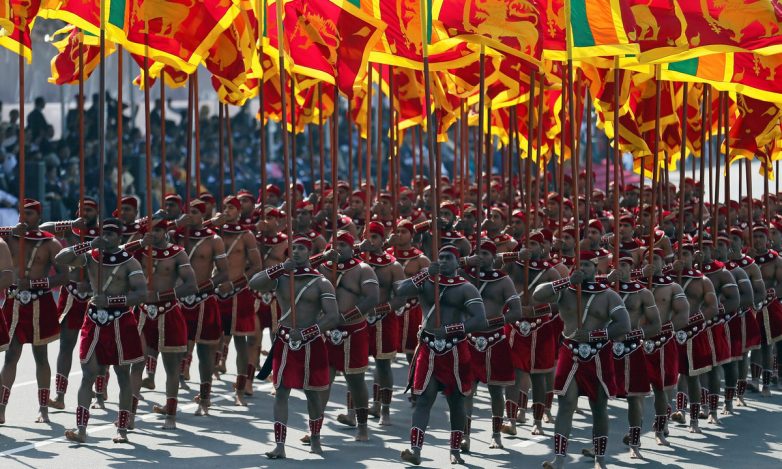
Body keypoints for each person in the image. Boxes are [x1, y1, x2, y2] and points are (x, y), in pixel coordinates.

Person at [533, 252, 630, 469]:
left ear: (596, 268)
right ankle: (559, 459)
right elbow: (538, 295)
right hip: (570, 351)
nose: (583, 268)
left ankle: (600, 459)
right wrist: (566, 281)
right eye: (579, 264)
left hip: (599, 354)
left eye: (587, 265)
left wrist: (595, 335)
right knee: (566, 404)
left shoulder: (608, 295)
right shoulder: (565, 291)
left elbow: (623, 325)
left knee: (599, 406)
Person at [54, 218, 146, 443]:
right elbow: (60, 258)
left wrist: (112, 300)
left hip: (120, 321)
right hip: (94, 320)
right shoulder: (91, 256)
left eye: (111, 233)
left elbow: (141, 294)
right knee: (88, 374)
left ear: (120, 237)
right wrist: (87, 244)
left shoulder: (130, 262)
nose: (106, 237)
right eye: (103, 233)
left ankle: (122, 429)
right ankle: (81, 429)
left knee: (122, 375)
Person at [395, 245, 487, 465]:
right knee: (423, 399)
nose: (443, 260)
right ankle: (416, 450)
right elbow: (400, 290)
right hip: (428, 349)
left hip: (455, 350)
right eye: (441, 257)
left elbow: (480, 320)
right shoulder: (426, 281)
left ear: (458, 262)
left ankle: (455, 450)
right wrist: (425, 273)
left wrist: (450, 329)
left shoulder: (466, 288)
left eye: (448, 258)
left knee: (456, 402)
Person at [249, 236, 339, 458]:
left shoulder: (321, 282)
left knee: (313, 394)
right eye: (293, 248)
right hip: (285, 341)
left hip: (312, 343)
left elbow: (332, 316)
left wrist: (308, 332)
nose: (296, 252)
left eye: (301, 248)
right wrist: (280, 268)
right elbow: (254, 283)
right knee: (281, 391)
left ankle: (315, 439)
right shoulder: (281, 278)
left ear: (309, 252)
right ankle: (279, 445)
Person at [0, 199, 67, 424]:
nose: (23, 217)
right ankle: (1, 408)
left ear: (39, 216)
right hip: (14, 302)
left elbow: (64, 275)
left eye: (28, 214)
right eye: (21, 213)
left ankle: (43, 408)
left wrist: (35, 283)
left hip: (40, 303)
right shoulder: (9, 237)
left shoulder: (50, 243)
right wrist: (10, 230)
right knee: (11, 356)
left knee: (41, 357)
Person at [127, 216, 196, 429]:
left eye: (157, 230)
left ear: (165, 232)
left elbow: (191, 285)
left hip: (168, 312)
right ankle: (129, 414)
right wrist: (140, 242)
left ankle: (171, 415)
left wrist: (161, 295)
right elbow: (117, 254)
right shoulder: (139, 251)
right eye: (149, 230)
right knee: (136, 363)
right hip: (142, 313)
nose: (153, 234)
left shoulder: (178, 253)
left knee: (171, 367)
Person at [318, 230, 379, 441]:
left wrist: (345, 317)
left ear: (353, 248)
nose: (338, 248)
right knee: (322, 381)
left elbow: (372, 298)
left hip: (354, 332)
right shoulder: (322, 267)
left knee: (355, 381)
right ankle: (315, 430)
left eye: (343, 244)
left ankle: (362, 427)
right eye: (335, 244)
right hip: (327, 332)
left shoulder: (363, 269)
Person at [461, 239, 521, 451]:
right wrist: (465, 261)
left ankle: (496, 434)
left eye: (486, 253)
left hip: (495, 339)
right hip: (469, 339)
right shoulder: (465, 275)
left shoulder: (503, 280)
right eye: (478, 253)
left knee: (496, 391)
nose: (481, 257)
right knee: (467, 390)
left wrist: (496, 321)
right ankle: (465, 436)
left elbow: (516, 310)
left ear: (494, 258)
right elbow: (439, 269)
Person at [501, 231, 561, 436]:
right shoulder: (512, 265)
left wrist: (535, 310)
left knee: (538, 376)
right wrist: (514, 256)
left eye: (534, 244)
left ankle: (537, 421)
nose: (529, 247)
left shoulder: (550, 272)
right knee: (515, 374)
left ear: (542, 248)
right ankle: (511, 420)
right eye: (526, 243)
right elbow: (493, 267)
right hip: (515, 326)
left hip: (540, 327)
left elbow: (561, 302)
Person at [174, 199, 229, 415]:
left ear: (203, 215)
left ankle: (205, 397)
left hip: (204, 300)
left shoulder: (214, 240)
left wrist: (203, 286)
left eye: (195, 212)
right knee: (174, 350)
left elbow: (224, 273)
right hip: (179, 300)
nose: (190, 215)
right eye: (187, 211)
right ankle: (172, 400)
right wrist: (176, 224)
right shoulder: (176, 236)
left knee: (205, 352)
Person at [607, 252, 660, 459]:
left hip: (632, 348)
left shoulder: (643, 292)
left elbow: (655, 324)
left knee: (635, 398)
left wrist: (633, 334)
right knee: (599, 398)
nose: (621, 268)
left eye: (625, 264)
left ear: (632, 267)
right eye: (617, 264)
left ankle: (635, 443)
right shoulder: (603, 290)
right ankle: (597, 445)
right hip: (606, 347)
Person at [214, 195, 262, 405]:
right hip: (215, 291)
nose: (227, 211)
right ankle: (206, 392)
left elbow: (256, 266)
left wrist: (234, 284)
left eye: (231, 208)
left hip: (238, 293)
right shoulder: (215, 232)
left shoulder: (246, 235)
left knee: (241, 342)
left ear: (239, 212)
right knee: (210, 340)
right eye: (224, 207)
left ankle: (240, 390)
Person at [361, 222, 406, 425]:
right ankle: (356, 411)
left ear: (382, 239)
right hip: (359, 319)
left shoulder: (393, 266)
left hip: (384, 320)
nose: (370, 241)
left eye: (374, 237)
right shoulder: (356, 263)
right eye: (367, 236)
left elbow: (401, 298)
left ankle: (384, 409)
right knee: (356, 367)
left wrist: (379, 309)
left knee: (383, 365)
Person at [643, 248, 689, 445]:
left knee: (662, 388)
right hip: (638, 342)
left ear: (663, 263)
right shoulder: (635, 286)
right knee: (635, 393)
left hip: (663, 342)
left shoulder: (673, 287)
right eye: (646, 259)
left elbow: (683, 314)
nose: (650, 262)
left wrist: (664, 329)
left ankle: (660, 429)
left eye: (655, 258)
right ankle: (634, 434)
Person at [388, 220, 430, 364]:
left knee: (413, 354)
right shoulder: (386, 256)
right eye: (397, 231)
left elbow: (429, 286)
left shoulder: (421, 259)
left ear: (412, 235)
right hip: (389, 308)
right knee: (384, 355)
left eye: (403, 231)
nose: (399, 234)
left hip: (413, 309)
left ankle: (413, 378)